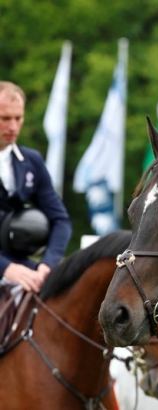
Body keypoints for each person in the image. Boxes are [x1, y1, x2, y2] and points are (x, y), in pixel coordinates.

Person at [0, 81, 72, 293]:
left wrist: (46, 265)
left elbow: (61, 220)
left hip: (23, 267)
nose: (13, 127)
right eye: (5, 119)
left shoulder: (32, 161)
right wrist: (6, 269)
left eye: (18, 118)